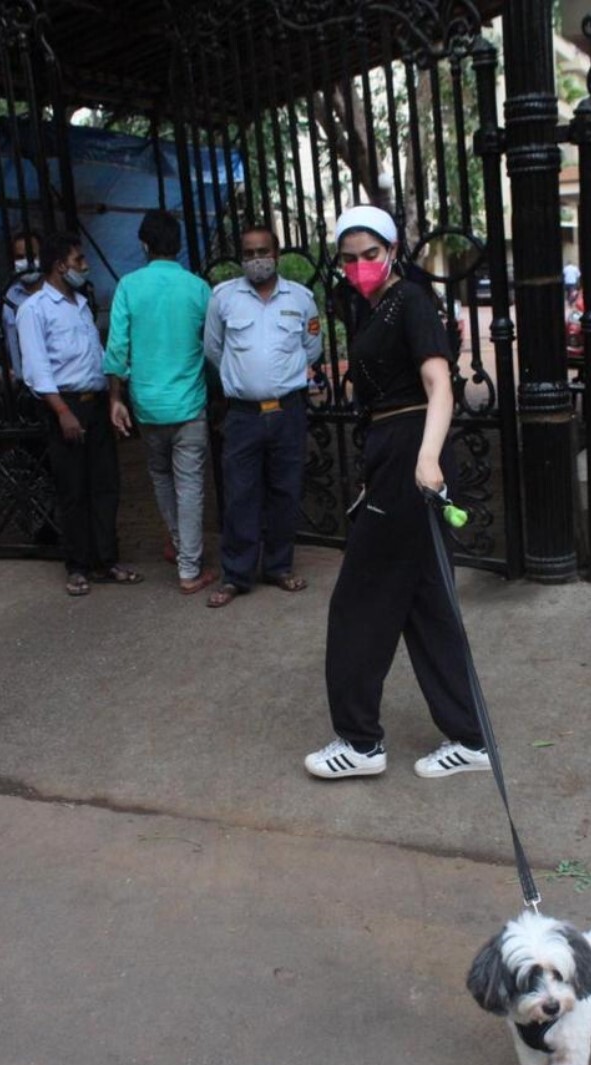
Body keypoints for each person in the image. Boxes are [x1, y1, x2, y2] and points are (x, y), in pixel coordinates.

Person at [304, 205, 490, 781]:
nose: (360, 266)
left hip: (414, 453)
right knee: (426, 601)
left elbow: (439, 387)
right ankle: (470, 736)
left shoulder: (409, 300)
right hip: (392, 453)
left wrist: (427, 457)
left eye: (371, 254)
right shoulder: (370, 309)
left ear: (393, 252)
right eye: (350, 258)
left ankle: (359, 743)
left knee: (360, 601)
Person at [202, 223, 323, 608]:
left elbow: (312, 348)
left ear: (277, 253)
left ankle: (278, 566)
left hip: (287, 412)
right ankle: (236, 575)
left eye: (263, 251)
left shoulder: (301, 299)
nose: (256, 259)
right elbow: (214, 350)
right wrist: (246, 380)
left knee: (285, 489)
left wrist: (278, 377)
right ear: (242, 257)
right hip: (243, 416)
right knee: (239, 493)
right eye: (249, 253)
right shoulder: (223, 299)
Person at [17, 231, 142, 597]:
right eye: (79, 261)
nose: (85, 267)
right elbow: (37, 369)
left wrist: (110, 399)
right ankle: (77, 565)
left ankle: (107, 560)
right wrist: (61, 413)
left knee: (105, 485)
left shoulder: (81, 304)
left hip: (95, 402)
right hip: (66, 406)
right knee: (73, 490)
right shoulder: (34, 310)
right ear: (60, 266)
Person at [104, 210, 215, 595]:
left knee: (161, 478)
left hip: (147, 405)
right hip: (189, 405)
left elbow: (117, 349)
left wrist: (115, 399)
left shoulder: (129, 287)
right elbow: (215, 346)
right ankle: (189, 569)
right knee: (189, 485)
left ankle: (182, 547)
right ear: (179, 245)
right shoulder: (199, 289)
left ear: (144, 245)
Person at [0, 229, 43, 380]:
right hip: (25, 388)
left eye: (31, 256)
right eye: (20, 257)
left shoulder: (57, 293)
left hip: (62, 384)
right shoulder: (5, 300)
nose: (26, 262)